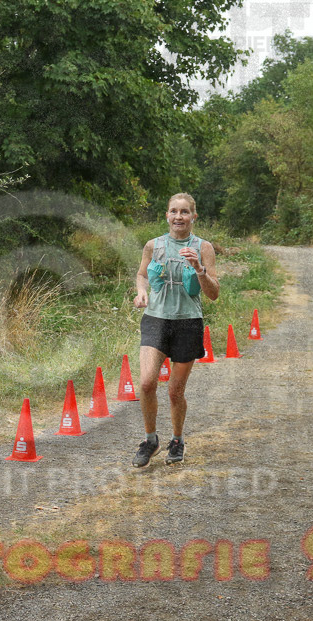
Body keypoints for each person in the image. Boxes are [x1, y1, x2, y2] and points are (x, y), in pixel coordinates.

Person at [132, 193, 219, 466]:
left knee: (175, 392)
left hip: (187, 323)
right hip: (155, 320)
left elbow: (214, 293)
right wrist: (141, 293)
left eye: (184, 212)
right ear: (166, 215)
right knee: (146, 383)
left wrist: (199, 269)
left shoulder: (203, 247)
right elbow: (142, 274)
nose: (179, 216)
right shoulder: (153, 245)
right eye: (174, 211)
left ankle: (177, 440)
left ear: (194, 216)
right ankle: (150, 440)